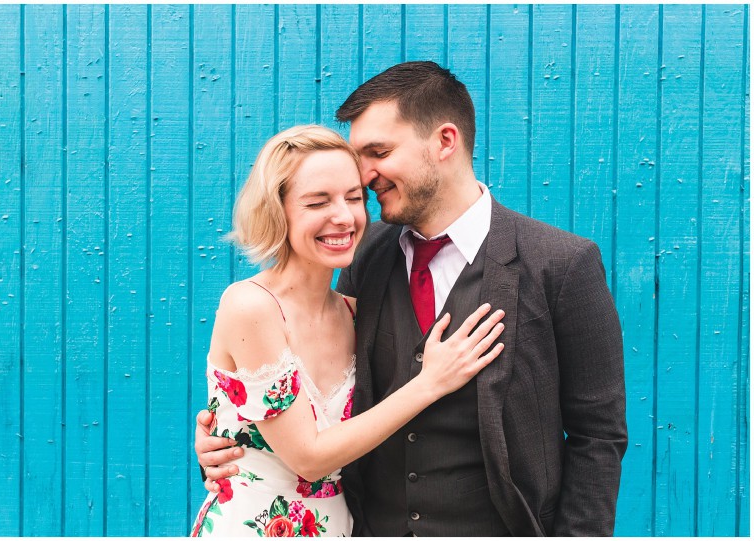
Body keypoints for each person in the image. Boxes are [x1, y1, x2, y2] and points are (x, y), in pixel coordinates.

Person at [196, 62, 628, 536]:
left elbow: (598, 436)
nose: (365, 174)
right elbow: (305, 400)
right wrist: (232, 440)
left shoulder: (561, 264)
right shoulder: (364, 255)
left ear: (445, 141)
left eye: (378, 152)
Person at [190, 124, 506, 537]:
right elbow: (308, 457)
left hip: (342, 525)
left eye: (354, 198)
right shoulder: (251, 306)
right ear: (277, 210)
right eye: (317, 202)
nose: (343, 217)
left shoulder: (358, 314)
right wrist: (430, 382)